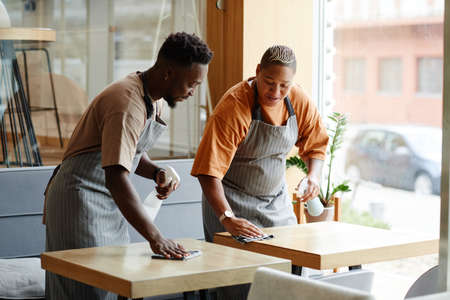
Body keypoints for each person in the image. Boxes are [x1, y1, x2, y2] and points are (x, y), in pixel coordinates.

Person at [44, 32, 213, 300]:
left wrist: (156, 172)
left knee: (113, 286)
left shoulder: (155, 100)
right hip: (79, 200)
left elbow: (127, 153)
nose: (193, 92)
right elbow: (115, 176)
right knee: (85, 290)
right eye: (191, 84)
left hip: (108, 204)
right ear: (169, 73)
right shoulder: (127, 103)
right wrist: (156, 237)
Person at [191, 45, 328, 299]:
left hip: (276, 201)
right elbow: (208, 172)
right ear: (257, 73)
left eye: (284, 86)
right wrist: (227, 218)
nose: (276, 92)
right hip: (231, 202)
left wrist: (313, 176)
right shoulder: (233, 106)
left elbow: (316, 142)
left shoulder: (297, 99)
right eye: (269, 82)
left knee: (290, 275)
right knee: (242, 284)